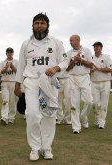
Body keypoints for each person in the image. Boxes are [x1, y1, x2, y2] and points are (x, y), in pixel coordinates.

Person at [14, 13, 68, 161]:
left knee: (49, 115)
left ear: (47, 26)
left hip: (49, 82)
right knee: (31, 114)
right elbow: (21, 67)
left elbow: (65, 61)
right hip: (31, 81)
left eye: (42, 23)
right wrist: (17, 85)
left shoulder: (56, 42)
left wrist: (56, 68)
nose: (39, 25)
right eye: (36, 23)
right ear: (32, 26)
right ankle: (34, 148)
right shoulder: (26, 44)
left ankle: (46, 147)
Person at [66, 35, 93, 134]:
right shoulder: (68, 53)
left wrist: (80, 60)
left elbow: (91, 65)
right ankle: (76, 126)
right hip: (73, 78)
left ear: (77, 40)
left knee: (89, 101)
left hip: (85, 77)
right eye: (69, 40)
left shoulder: (87, 50)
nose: (70, 42)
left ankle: (84, 117)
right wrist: (74, 61)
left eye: (71, 40)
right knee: (74, 103)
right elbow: (67, 68)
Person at [91, 42, 112, 129]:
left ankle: (101, 122)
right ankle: (97, 117)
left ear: (101, 48)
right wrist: (90, 71)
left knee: (104, 103)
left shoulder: (107, 57)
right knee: (95, 103)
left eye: (98, 46)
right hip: (94, 82)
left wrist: (99, 69)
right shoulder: (91, 57)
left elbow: (110, 69)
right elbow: (87, 69)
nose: (96, 48)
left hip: (105, 82)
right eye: (95, 47)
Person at [0, 47, 18, 125]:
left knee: (13, 101)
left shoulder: (16, 61)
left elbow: (19, 72)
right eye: (8, 52)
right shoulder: (2, 62)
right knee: (5, 100)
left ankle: (11, 118)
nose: (9, 53)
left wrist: (12, 67)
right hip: (5, 82)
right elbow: (0, 72)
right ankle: (4, 117)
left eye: (11, 52)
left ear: (13, 53)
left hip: (13, 82)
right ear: (6, 53)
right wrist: (6, 67)